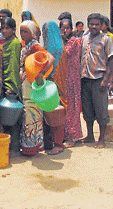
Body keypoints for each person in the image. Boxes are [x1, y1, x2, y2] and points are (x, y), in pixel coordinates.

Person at [80, 13, 113, 148]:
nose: (94, 26)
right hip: (85, 79)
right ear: (88, 24)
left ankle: (101, 138)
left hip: (99, 79)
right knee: (87, 109)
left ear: (101, 25)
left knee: (101, 110)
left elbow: (111, 60)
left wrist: (106, 80)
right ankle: (90, 136)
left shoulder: (106, 39)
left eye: (97, 24)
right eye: (91, 24)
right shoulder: (84, 39)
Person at [19, 20, 55, 156]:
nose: (22, 34)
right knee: (27, 114)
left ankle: (34, 146)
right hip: (26, 83)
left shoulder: (35, 45)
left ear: (33, 33)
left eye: (25, 31)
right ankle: (29, 145)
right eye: (21, 31)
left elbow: (50, 58)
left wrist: (40, 72)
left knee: (33, 114)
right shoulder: (25, 44)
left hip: (32, 83)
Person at [57, 18, 83, 148]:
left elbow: (65, 52)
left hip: (72, 79)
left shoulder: (73, 41)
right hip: (64, 77)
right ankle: (67, 135)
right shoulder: (66, 41)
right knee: (66, 107)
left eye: (67, 28)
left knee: (72, 107)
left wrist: (60, 40)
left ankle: (72, 136)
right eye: (62, 28)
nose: (65, 31)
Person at [42, 21, 65, 155]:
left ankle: (58, 144)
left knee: (55, 116)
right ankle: (53, 142)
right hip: (53, 85)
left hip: (55, 85)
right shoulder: (56, 47)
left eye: (46, 32)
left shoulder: (55, 50)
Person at [0, 17, 22, 154]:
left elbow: (13, 66)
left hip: (11, 83)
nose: (3, 30)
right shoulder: (6, 43)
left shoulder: (14, 44)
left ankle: (14, 146)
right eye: (2, 27)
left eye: (6, 28)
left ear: (13, 29)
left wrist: (11, 86)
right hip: (4, 81)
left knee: (12, 117)